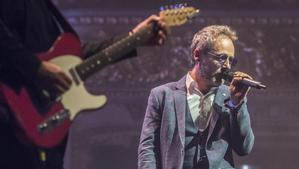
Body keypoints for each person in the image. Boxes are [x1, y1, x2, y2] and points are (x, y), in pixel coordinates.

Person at [0, 0, 168, 169]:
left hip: (40, 126)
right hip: (11, 119)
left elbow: (71, 58)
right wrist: (37, 69)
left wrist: (132, 38)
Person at [138, 25, 254, 169]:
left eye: (231, 60)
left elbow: (244, 148)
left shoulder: (230, 96)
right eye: (222, 58)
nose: (228, 66)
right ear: (197, 55)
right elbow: (148, 148)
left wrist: (237, 104)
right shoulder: (162, 95)